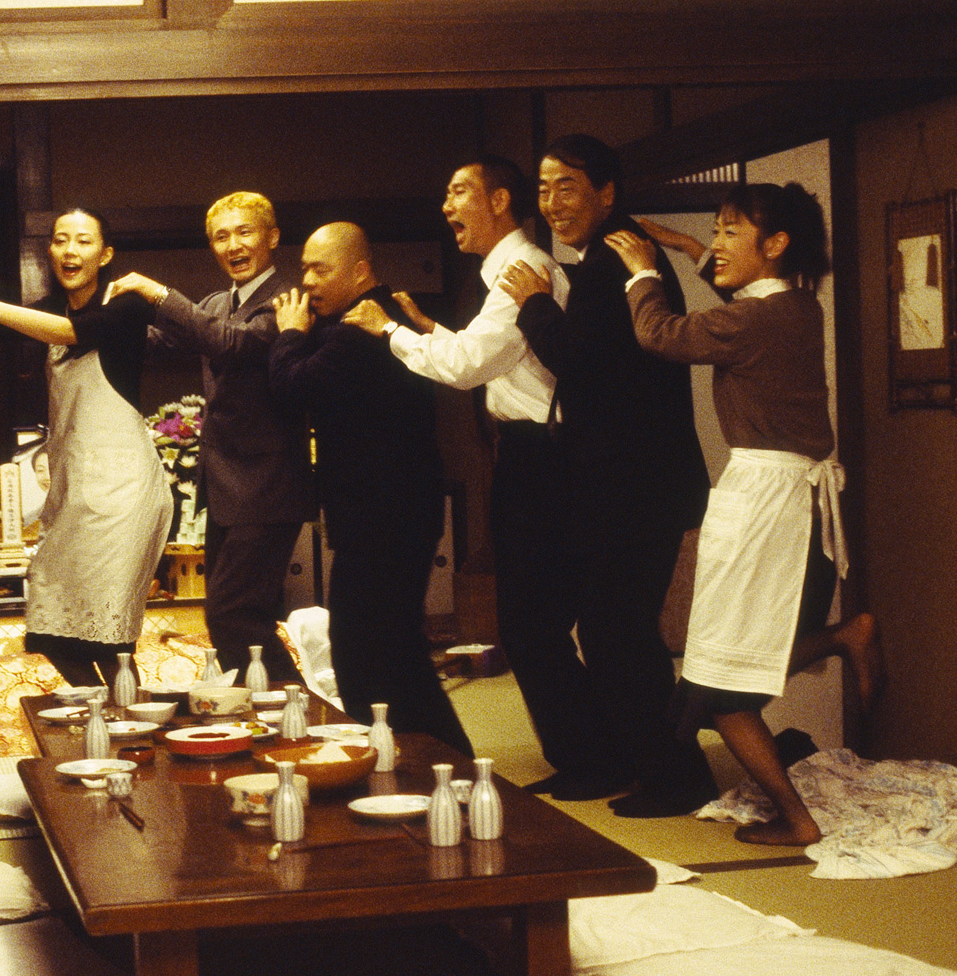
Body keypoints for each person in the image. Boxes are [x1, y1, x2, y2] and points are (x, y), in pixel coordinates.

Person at [606, 182, 883, 844]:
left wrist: (642, 272)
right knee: (740, 657)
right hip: (790, 497)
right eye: (716, 231)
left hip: (766, 503)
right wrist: (687, 247)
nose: (719, 245)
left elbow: (659, 335)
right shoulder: (798, 305)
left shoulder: (753, 321)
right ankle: (846, 635)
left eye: (731, 232)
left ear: (776, 243)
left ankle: (797, 819)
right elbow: (741, 295)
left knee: (718, 687)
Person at [344, 157, 595, 789]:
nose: (447, 206)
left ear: (500, 200)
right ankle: (581, 752)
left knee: (532, 621)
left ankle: (586, 758)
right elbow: (494, 355)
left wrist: (389, 330)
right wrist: (431, 331)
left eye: (460, 192)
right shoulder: (506, 272)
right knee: (529, 619)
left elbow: (467, 365)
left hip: (544, 457)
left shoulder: (522, 269)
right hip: (528, 454)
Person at [499, 134, 716, 817]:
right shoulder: (610, 254)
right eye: (543, 188)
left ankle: (676, 775)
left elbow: (576, 358)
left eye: (567, 186)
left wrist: (534, 301)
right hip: (630, 483)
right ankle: (642, 762)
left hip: (636, 486)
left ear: (606, 192)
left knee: (616, 631)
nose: (552, 203)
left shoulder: (614, 260)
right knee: (613, 629)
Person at [0, 209, 172, 688]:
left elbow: (69, 333)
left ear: (104, 254)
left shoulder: (125, 305)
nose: (70, 251)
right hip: (74, 493)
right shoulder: (48, 308)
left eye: (83, 241)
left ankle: (126, 724)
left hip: (125, 492)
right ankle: (106, 713)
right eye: (60, 240)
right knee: (49, 634)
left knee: (111, 642)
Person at [267, 222, 473, 756]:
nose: (308, 281)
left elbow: (294, 387)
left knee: (366, 653)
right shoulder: (364, 317)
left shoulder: (362, 324)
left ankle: (418, 760)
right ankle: (432, 760)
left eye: (321, 269)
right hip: (393, 511)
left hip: (384, 516)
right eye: (305, 268)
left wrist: (289, 333)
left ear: (360, 270)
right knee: (391, 649)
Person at [108, 192, 314, 685]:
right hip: (226, 489)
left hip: (268, 487)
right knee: (228, 618)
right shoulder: (218, 303)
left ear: (272, 237)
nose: (232, 245)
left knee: (234, 616)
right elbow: (162, 341)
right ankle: (272, 713)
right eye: (221, 237)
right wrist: (94, 322)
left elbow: (231, 342)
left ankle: (300, 711)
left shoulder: (287, 301)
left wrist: (159, 294)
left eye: (244, 232)